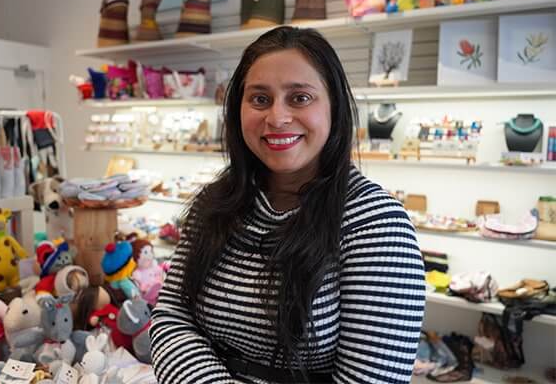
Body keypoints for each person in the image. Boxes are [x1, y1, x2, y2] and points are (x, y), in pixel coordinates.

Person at [150, 26, 425, 383]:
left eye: (299, 98)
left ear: (334, 107)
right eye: (260, 99)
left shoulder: (377, 226)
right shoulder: (215, 203)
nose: (277, 117)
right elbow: (172, 315)